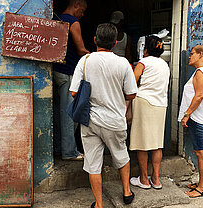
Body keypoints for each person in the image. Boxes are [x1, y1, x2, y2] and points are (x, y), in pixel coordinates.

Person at [69, 23, 137, 208]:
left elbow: (74, 92)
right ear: (115, 43)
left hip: (89, 120)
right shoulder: (123, 63)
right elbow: (131, 94)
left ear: (94, 40)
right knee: (122, 156)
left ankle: (99, 204)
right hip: (115, 120)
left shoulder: (84, 61)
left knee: (93, 163)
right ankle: (127, 192)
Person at [129, 35, 170, 190]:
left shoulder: (143, 62)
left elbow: (132, 82)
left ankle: (144, 179)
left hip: (144, 102)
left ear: (145, 49)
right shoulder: (164, 65)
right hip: (161, 105)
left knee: (142, 142)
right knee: (156, 143)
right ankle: (156, 180)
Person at [53, 0, 90, 160]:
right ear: (75, 6)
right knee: (69, 114)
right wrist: (97, 57)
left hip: (55, 72)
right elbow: (81, 49)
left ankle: (58, 148)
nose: (82, 15)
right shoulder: (73, 23)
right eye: (82, 11)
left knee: (57, 113)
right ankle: (69, 151)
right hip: (68, 72)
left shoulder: (56, 20)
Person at [178, 45, 203, 197]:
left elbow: (199, 96)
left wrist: (187, 114)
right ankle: (202, 183)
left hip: (197, 118)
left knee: (201, 152)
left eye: (192, 53)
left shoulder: (201, 73)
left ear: (201, 55)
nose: (189, 56)